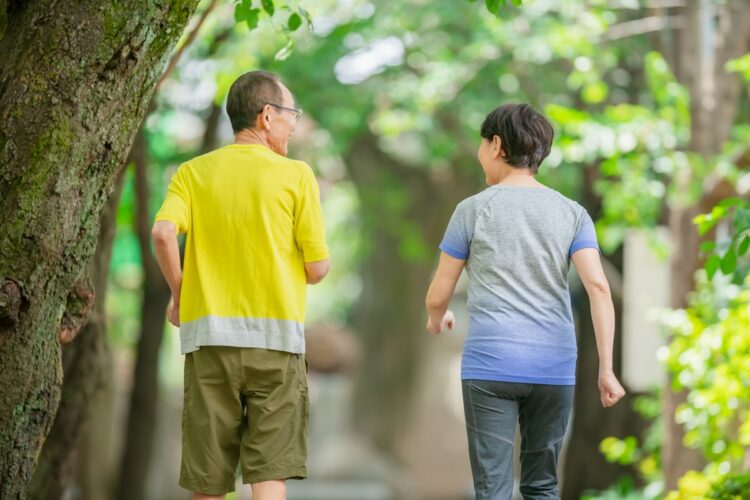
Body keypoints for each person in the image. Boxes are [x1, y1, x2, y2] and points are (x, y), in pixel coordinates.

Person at [424, 103, 625, 500]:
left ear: (496, 144)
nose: (480, 153)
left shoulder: (472, 210)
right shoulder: (573, 213)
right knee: (542, 485)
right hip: (553, 368)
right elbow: (599, 287)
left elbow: (438, 293)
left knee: (493, 489)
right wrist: (606, 369)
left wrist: (437, 317)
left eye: (482, 144)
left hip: (490, 368)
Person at [151, 70, 330, 500]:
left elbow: (162, 233)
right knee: (269, 475)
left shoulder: (193, 173)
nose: (293, 122)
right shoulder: (296, 176)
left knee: (208, 481)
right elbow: (318, 268)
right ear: (267, 116)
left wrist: (181, 294)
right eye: (290, 113)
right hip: (276, 343)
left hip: (209, 342)